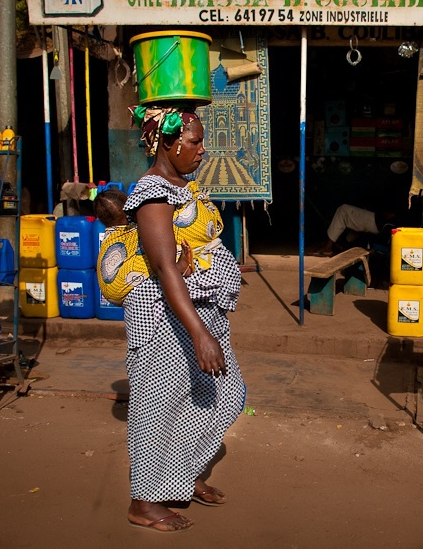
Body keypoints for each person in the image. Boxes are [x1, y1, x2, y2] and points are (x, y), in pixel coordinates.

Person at [121, 106, 245, 533]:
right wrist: (199, 334)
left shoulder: (183, 185)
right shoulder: (152, 193)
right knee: (158, 407)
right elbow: (165, 268)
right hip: (166, 317)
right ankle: (144, 502)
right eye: (194, 142)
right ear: (168, 144)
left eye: (200, 141)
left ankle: (181, 476)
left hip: (202, 308)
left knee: (226, 396)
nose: (202, 150)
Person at [93, 188, 193, 305]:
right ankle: (178, 267)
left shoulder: (109, 237)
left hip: (107, 290)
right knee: (155, 245)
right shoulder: (133, 231)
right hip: (120, 284)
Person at [315, 203, 398, 257]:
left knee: (343, 210)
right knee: (354, 221)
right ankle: (344, 246)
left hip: (380, 223)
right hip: (379, 221)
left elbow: (391, 214)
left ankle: (327, 248)